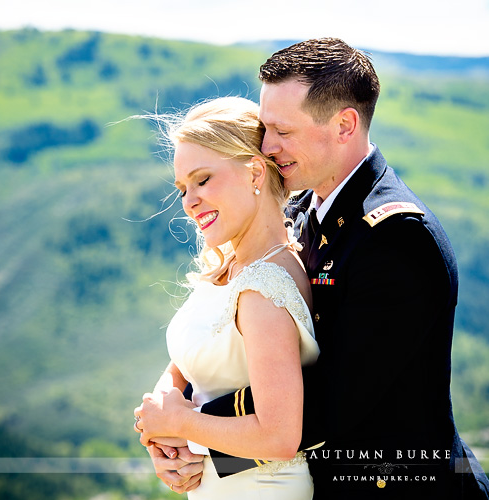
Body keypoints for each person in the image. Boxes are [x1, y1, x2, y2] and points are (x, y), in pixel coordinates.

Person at [143, 38, 489, 499]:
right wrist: (170, 433)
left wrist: (191, 437)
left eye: (283, 131)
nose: (267, 147)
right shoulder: (302, 207)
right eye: (265, 129)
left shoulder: (398, 239)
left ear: (345, 125)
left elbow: (329, 405)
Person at [133, 96, 320, 499]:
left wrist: (182, 427)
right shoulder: (234, 265)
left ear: (254, 173)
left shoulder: (263, 287)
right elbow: (192, 359)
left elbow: (279, 436)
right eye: (183, 187)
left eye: (202, 180)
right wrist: (163, 432)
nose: (188, 201)